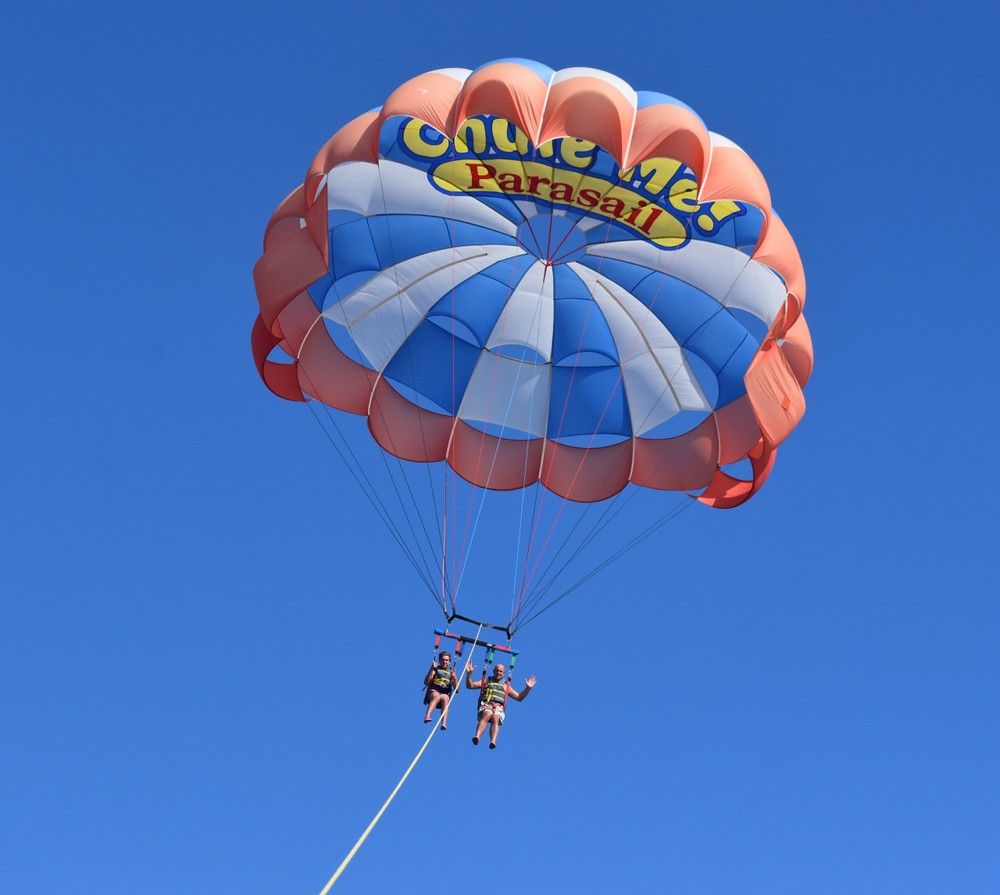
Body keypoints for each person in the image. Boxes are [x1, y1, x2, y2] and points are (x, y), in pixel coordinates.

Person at [465, 661, 536, 749]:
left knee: (496, 716)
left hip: (498, 708)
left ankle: (493, 741)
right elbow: (470, 685)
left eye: (501, 671)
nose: (499, 673)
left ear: (504, 673)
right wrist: (469, 674)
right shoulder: (487, 681)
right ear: (494, 671)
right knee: (488, 713)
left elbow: (519, 697)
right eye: (497, 671)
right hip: (486, 706)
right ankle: (477, 736)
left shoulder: (506, 686)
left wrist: (528, 688)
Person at [423, 651, 458, 729]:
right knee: (437, 696)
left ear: (449, 662)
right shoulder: (435, 669)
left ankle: (443, 723)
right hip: (434, 691)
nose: (444, 662)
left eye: (446, 660)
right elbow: (426, 682)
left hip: (444, 693)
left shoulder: (452, 672)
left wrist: (454, 677)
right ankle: (427, 716)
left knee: (446, 698)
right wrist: (431, 669)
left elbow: (457, 690)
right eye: (442, 660)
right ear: (439, 660)